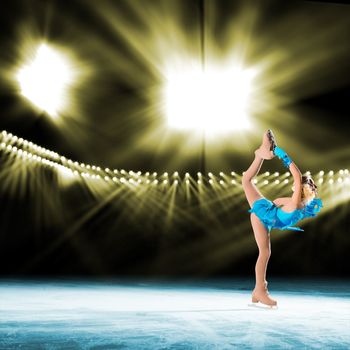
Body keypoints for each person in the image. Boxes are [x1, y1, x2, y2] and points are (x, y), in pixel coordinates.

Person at [242, 130, 323, 307]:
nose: (295, 187)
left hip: (269, 217)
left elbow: (280, 199)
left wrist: (277, 204)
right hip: (263, 215)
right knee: (265, 252)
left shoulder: (301, 205)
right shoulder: (297, 204)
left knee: (247, 181)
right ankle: (260, 290)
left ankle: (261, 155)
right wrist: (280, 153)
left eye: (298, 186)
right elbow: (293, 180)